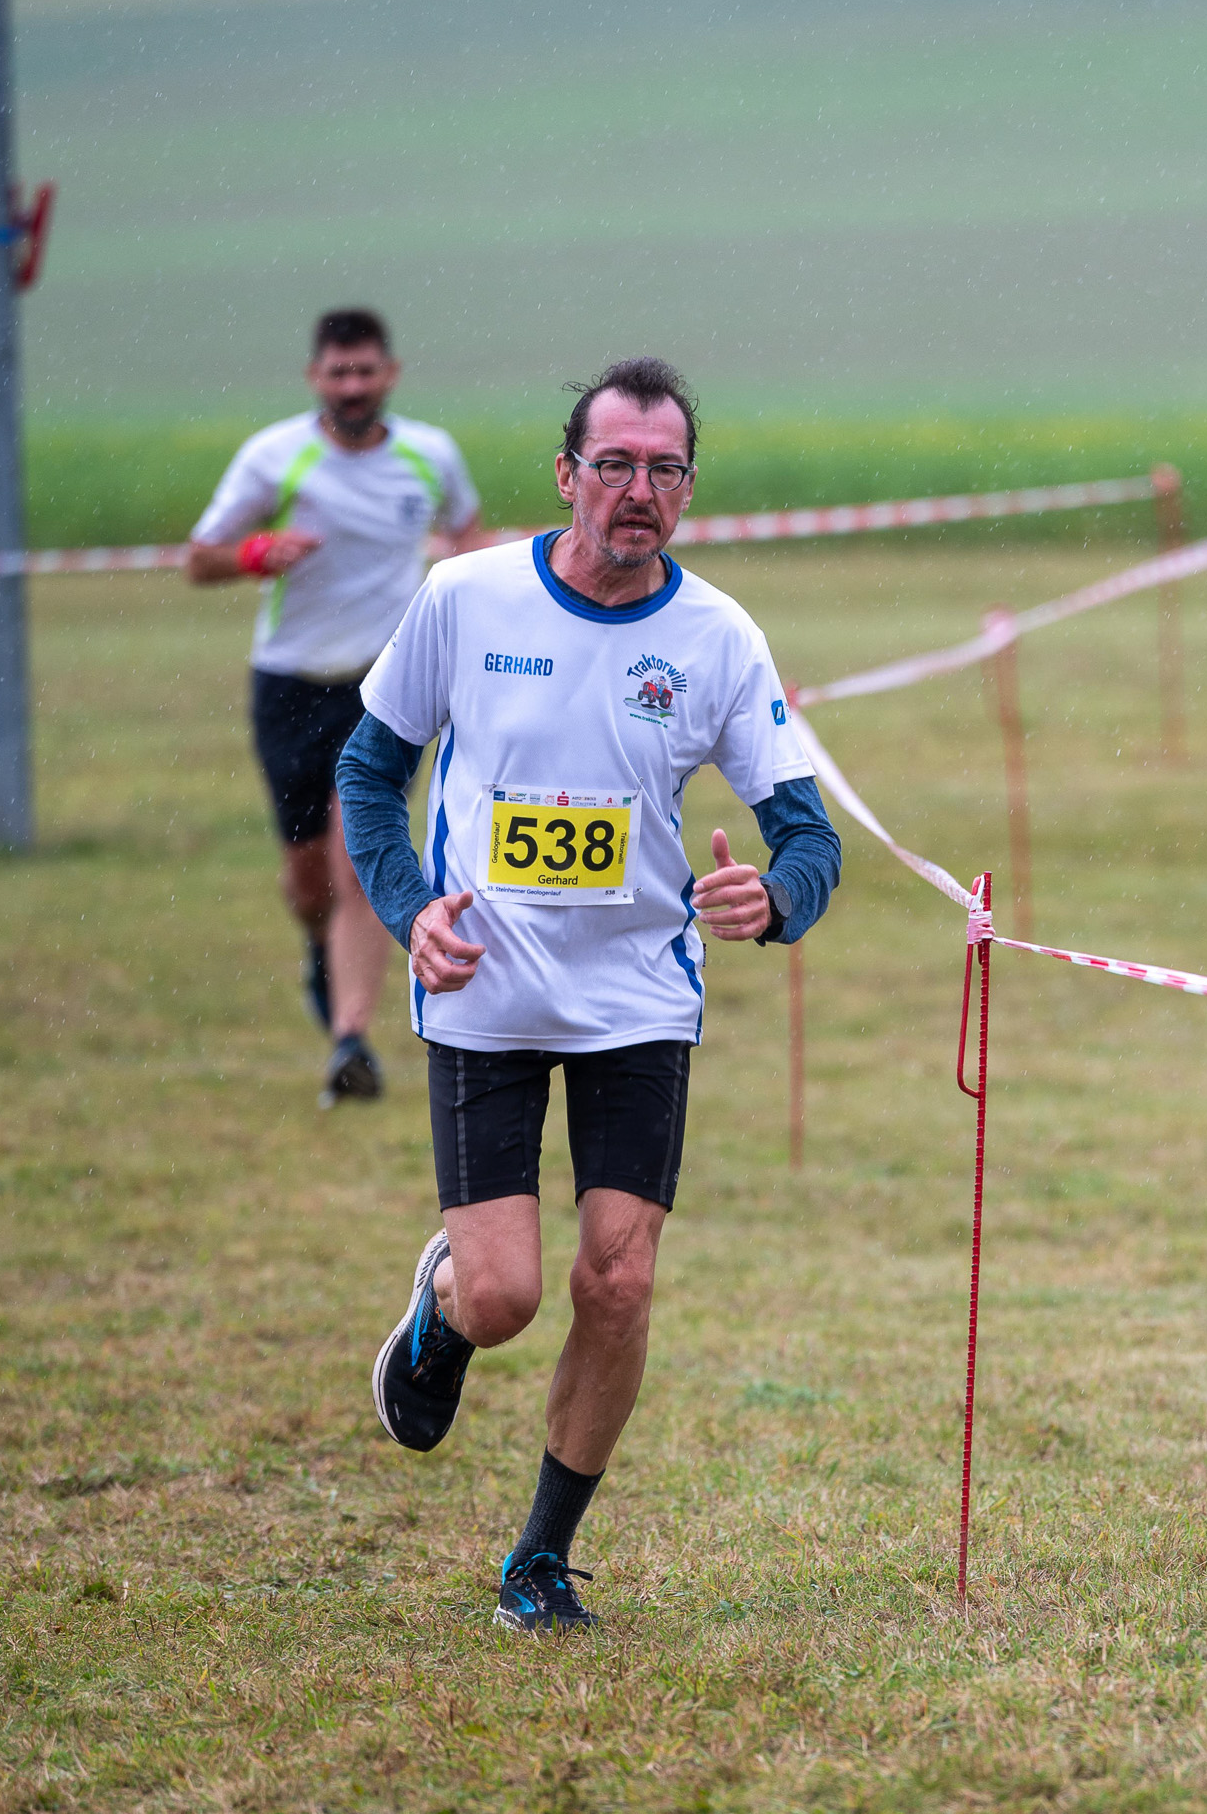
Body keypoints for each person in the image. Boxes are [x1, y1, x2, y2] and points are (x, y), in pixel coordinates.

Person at [336, 356, 841, 1633]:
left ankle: (540, 1558)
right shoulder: (466, 597)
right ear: (566, 474)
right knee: (506, 1295)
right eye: (613, 464)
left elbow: (807, 834)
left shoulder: (717, 636)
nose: (638, 490)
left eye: (664, 469)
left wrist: (776, 896)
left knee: (617, 1281)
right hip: (484, 986)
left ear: (688, 489)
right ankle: (445, 1306)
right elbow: (367, 773)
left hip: (636, 999)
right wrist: (409, 908)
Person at [186, 307, 484, 1106]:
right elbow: (199, 559)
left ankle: (351, 1041)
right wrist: (256, 553)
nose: (352, 386)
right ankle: (320, 950)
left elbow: (468, 540)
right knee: (308, 880)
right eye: (338, 372)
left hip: (384, 687)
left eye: (365, 371)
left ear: (390, 374)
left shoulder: (430, 455)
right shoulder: (275, 457)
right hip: (288, 682)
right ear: (315, 377)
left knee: (359, 858)